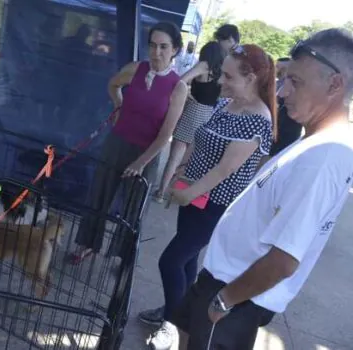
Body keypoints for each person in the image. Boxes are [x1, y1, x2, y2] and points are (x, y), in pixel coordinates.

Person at [166, 28, 353, 350]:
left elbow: (284, 259)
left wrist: (224, 302)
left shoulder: (325, 156)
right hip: (225, 282)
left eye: (295, 82)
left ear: (335, 84)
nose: (281, 93)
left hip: (235, 294)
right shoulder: (315, 144)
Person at [142, 44, 277, 349]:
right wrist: (182, 173)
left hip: (214, 205)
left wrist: (187, 193)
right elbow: (200, 140)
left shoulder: (259, 120)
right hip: (192, 197)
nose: (220, 82)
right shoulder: (226, 104)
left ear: (251, 77)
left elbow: (224, 171)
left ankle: (173, 324)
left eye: (228, 76)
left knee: (170, 262)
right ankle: (183, 317)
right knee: (187, 263)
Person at [67, 22, 188, 264]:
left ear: (175, 49)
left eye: (164, 47)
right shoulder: (136, 69)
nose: (157, 52)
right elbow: (113, 84)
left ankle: (123, 257)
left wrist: (141, 162)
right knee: (99, 194)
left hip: (147, 152)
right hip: (117, 142)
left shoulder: (178, 87)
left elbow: (166, 134)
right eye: (153, 45)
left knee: (133, 208)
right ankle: (87, 244)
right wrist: (119, 105)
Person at [154, 41, 224, 202]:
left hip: (193, 111)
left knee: (175, 157)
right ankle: (176, 193)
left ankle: (161, 192)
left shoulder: (203, 66)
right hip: (207, 116)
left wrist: (189, 95)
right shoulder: (221, 72)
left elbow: (181, 81)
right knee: (188, 160)